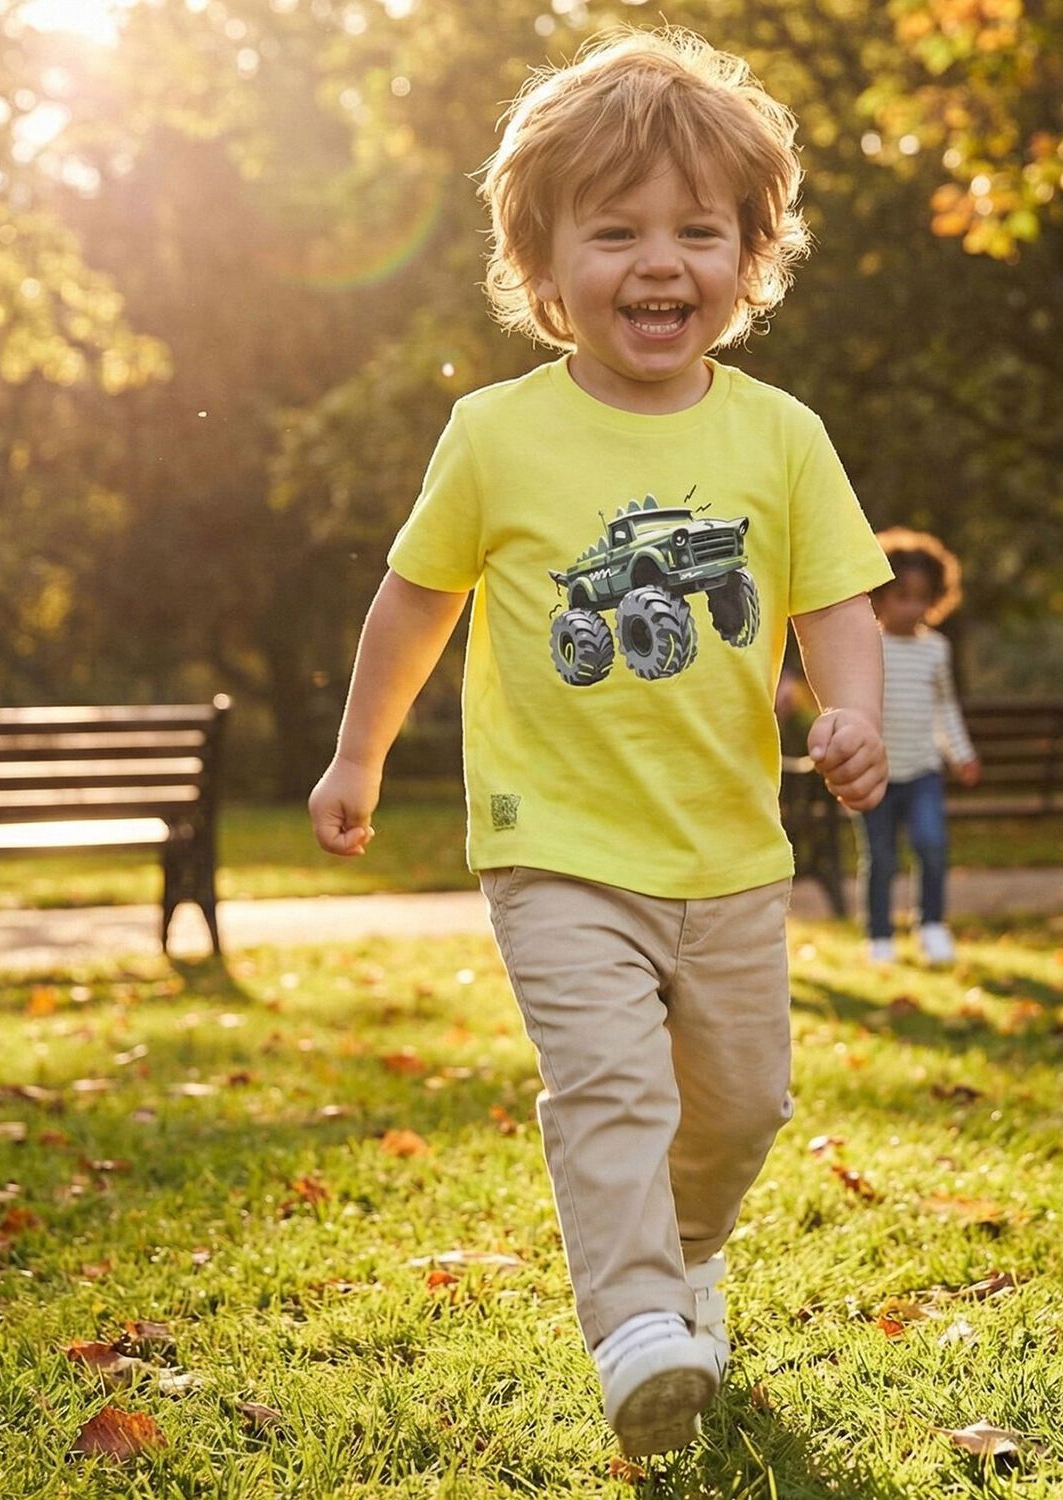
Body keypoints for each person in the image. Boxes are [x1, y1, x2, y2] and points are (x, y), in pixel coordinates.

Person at [307, 28, 892, 1461]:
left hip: (731, 850)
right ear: (544, 262)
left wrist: (857, 710)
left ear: (748, 261)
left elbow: (837, 604)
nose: (659, 261)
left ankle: (688, 1258)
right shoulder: (496, 435)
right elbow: (413, 605)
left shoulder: (783, 437)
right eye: (617, 228)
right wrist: (357, 757)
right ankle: (635, 1325)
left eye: (699, 230)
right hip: (554, 845)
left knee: (746, 1103)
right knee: (613, 1083)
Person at [860, 529, 979, 965]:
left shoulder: (936, 650)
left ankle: (931, 925)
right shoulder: (867, 645)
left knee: (931, 845)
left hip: (924, 771)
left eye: (921, 598)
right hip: (878, 775)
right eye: (901, 596)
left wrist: (960, 753)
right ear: (879, 598)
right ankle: (879, 937)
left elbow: (945, 708)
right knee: (882, 859)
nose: (912, 607)